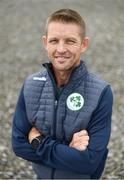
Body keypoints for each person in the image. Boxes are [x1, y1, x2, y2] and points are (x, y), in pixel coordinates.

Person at [12, 9, 113, 179]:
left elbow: (89, 162)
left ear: (84, 44)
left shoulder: (101, 92)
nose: (61, 49)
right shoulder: (30, 85)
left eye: (70, 41)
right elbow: (18, 145)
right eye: (54, 40)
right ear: (45, 43)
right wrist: (68, 150)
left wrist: (38, 142)